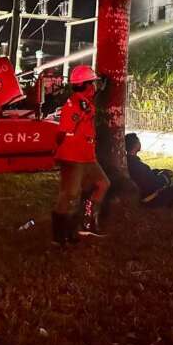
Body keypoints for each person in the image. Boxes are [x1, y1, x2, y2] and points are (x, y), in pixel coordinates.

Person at [51, 65, 110, 245]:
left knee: (102, 183)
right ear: (85, 85)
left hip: (86, 156)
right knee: (69, 194)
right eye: (92, 83)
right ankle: (60, 236)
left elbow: (89, 104)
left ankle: (87, 222)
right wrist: (61, 152)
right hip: (73, 157)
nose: (94, 86)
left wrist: (101, 87)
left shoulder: (84, 101)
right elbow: (63, 132)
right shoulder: (75, 105)